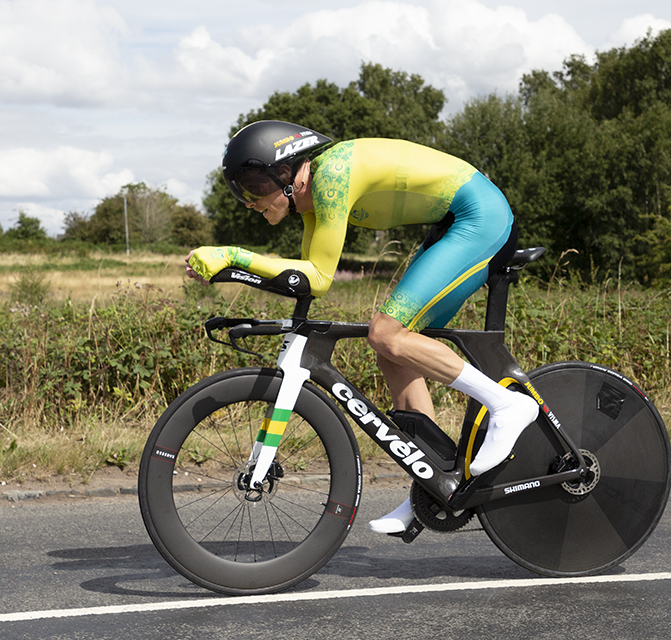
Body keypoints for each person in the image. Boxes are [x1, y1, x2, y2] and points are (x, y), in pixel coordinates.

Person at [186, 120, 538, 535]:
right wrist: (231, 269)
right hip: (452, 223)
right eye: (240, 192)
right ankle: (434, 484)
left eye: (252, 186)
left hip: (479, 216)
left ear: (283, 172)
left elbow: (317, 277)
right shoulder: (311, 201)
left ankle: (507, 405)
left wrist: (234, 256)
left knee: (386, 332)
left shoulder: (331, 175)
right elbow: (308, 279)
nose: (248, 201)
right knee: (394, 347)